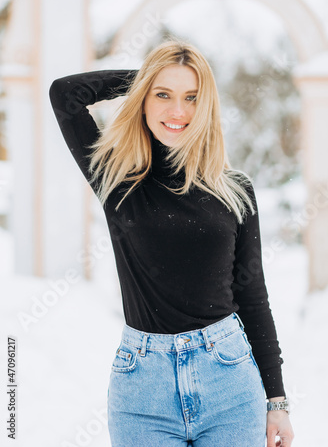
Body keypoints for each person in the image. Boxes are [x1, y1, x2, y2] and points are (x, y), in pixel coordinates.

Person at [49, 39, 294, 447]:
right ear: (144, 100)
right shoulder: (117, 181)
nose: (178, 111)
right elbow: (66, 94)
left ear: (206, 107)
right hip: (143, 390)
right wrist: (146, 78)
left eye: (192, 98)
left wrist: (277, 401)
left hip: (229, 381)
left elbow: (252, 295)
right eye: (163, 95)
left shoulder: (235, 190)